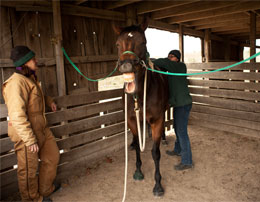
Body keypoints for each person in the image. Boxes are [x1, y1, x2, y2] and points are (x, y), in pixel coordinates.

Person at [2, 46, 60, 202]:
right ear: (25, 62)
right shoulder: (15, 83)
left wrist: (49, 101)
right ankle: (32, 199)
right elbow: (17, 115)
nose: (36, 61)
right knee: (28, 170)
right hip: (26, 133)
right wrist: (29, 139)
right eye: (33, 58)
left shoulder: (30, 79)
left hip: (41, 128)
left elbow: (36, 96)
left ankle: (45, 190)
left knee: (52, 157)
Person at [153, 50, 193, 171]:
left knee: (182, 132)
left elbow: (163, 62)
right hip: (178, 104)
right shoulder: (172, 71)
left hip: (183, 104)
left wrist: (152, 60)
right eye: (169, 56)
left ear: (177, 58)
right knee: (177, 128)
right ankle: (178, 150)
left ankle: (187, 161)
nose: (169, 58)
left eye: (172, 56)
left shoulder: (180, 66)